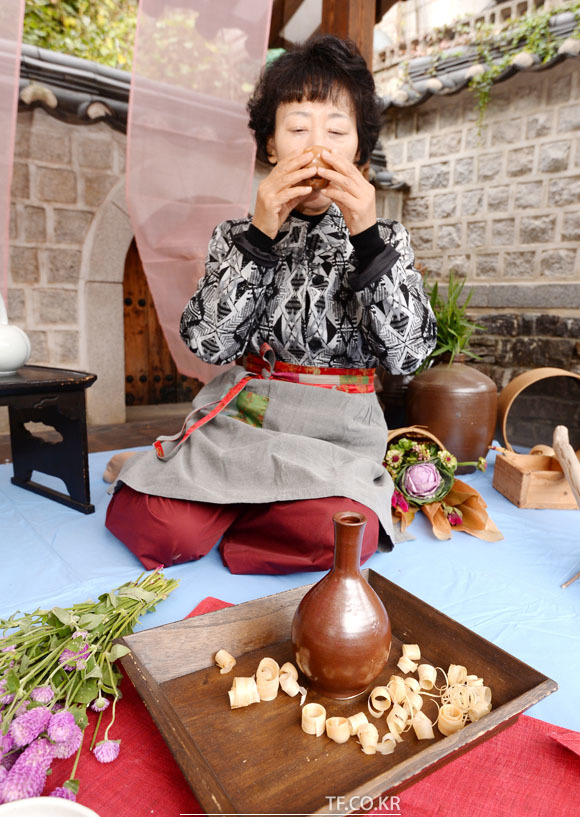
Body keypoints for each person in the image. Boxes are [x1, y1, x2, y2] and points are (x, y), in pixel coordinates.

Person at [105, 35, 436, 574]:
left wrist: (368, 238)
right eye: (298, 128)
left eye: (335, 129)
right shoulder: (236, 234)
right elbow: (209, 343)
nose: (317, 147)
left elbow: (410, 357)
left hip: (341, 429)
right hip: (249, 416)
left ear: (358, 147)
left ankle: (225, 506)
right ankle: (217, 496)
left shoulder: (387, 238)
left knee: (340, 536)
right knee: (155, 528)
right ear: (271, 146)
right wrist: (259, 235)